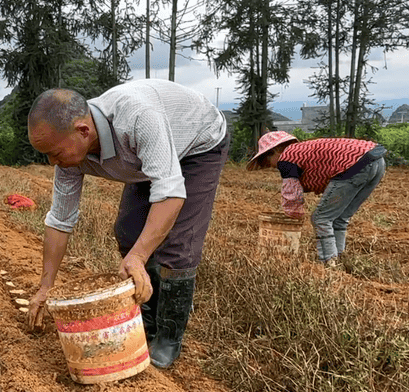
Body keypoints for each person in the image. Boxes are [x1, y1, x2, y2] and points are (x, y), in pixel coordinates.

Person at [26, 80, 229, 370]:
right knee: (128, 231)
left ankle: (169, 336)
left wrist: (138, 255)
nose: (51, 162)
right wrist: (46, 286)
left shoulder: (135, 118)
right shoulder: (70, 154)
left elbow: (170, 193)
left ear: (83, 131)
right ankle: (145, 319)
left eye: (55, 153)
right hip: (148, 157)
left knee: (176, 246)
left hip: (198, 143)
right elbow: (60, 219)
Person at [246, 131, 386, 266]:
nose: (272, 166)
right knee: (339, 218)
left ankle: (328, 263)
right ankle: (339, 258)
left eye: (268, 161)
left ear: (275, 151)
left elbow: (291, 192)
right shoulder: (301, 150)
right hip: (377, 161)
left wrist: (292, 215)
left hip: (352, 165)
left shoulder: (285, 159)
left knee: (321, 218)